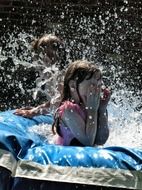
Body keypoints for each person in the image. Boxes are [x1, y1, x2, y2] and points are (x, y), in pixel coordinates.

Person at [52, 60, 111, 147]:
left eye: (98, 86)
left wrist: (101, 110)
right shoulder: (68, 110)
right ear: (73, 86)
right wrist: (92, 111)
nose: (95, 91)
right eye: (91, 86)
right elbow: (88, 142)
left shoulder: (93, 105)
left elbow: (101, 140)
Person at [14, 34, 67, 118]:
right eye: (43, 46)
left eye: (54, 46)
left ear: (60, 53)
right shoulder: (48, 74)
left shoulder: (63, 75)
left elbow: (58, 102)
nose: (48, 50)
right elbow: (55, 104)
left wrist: (33, 112)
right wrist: (38, 109)